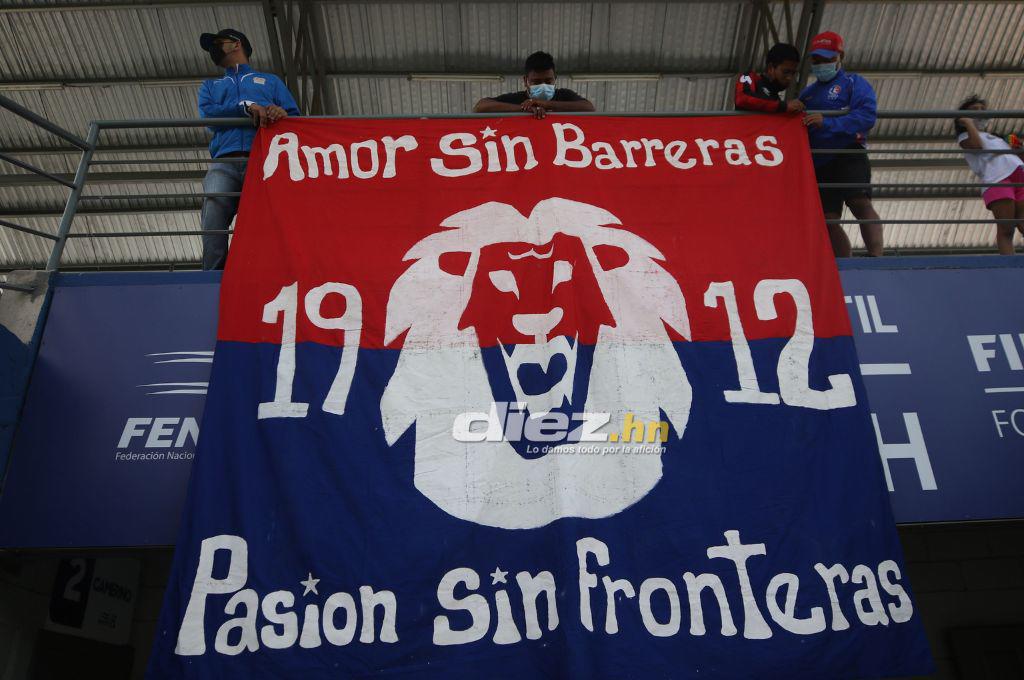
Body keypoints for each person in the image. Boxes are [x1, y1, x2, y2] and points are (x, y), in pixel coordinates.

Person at [197, 29, 299, 270]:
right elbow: (209, 116)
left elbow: (294, 118)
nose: (213, 50)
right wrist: (246, 106)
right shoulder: (211, 86)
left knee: (266, 221)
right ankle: (212, 276)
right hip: (224, 162)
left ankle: (266, 274)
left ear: (235, 44)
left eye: (217, 43)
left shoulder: (271, 81)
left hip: (264, 161)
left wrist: (280, 114)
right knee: (213, 209)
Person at [799, 31, 883, 257]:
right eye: (817, 60)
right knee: (828, 220)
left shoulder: (853, 83)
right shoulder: (807, 95)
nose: (822, 64)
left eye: (828, 59)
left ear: (840, 56)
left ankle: (877, 259)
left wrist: (828, 123)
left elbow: (866, 117)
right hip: (820, 162)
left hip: (848, 153)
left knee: (859, 202)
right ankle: (845, 266)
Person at [956, 95, 1024, 255]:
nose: (980, 112)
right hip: (998, 178)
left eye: (982, 109)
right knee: (1006, 228)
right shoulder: (964, 137)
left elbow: (1020, 152)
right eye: (974, 110)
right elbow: (978, 146)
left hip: (1019, 174)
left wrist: (1018, 145)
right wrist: (967, 123)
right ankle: (1009, 265)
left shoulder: (1001, 137)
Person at [474, 51, 595, 120]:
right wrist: (525, 110)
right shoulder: (515, 99)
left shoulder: (565, 95)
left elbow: (589, 108)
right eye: (536, 82)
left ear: (555, 79)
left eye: (548, 81)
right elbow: (480, 107)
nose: (543, 85)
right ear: (526, 81)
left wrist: (544, 104)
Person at [734, 43, 805, 114]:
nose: (789, 77)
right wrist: (783, 107)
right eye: (786, 72)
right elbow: (742, 99)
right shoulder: (749, 77)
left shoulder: (776, 100)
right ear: (771, 68)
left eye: (793, 73)